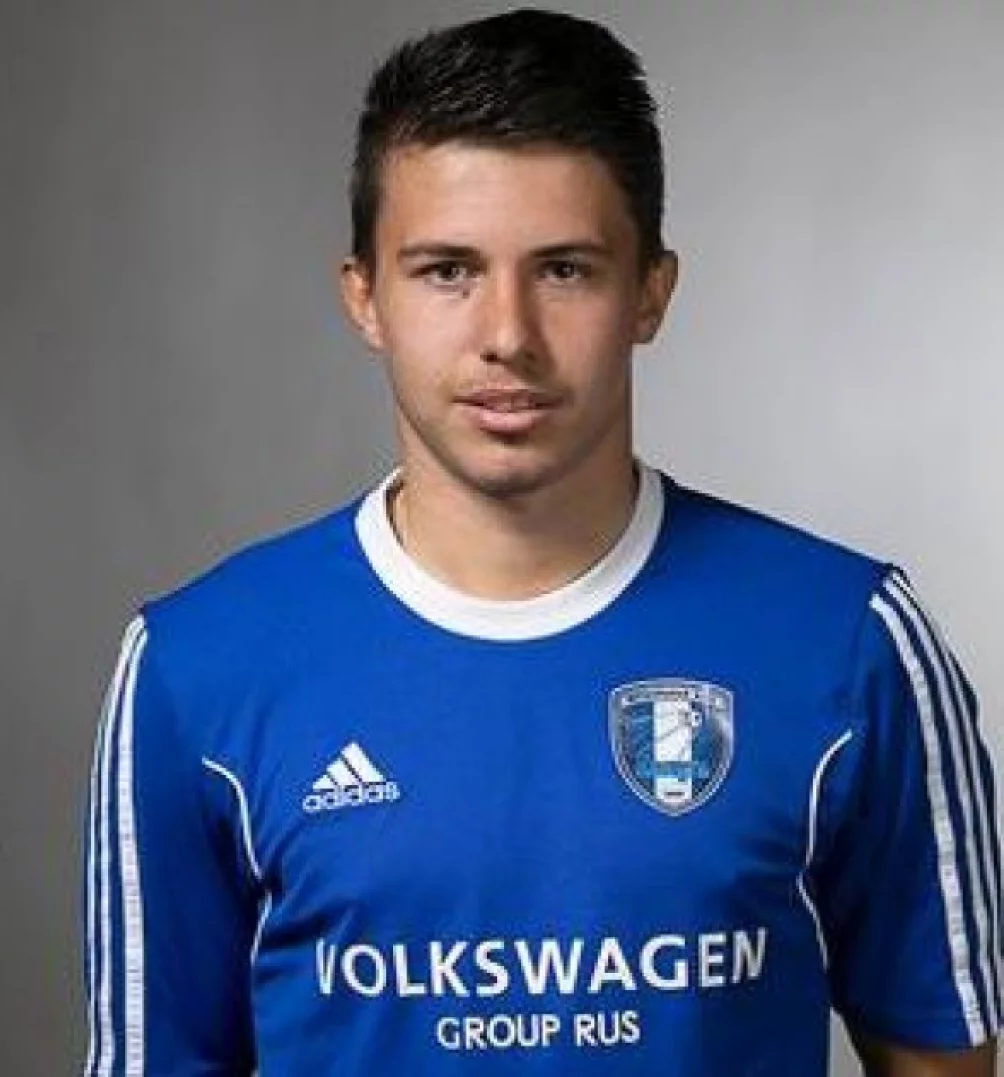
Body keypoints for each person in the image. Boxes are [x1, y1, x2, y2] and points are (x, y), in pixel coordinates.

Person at [83, 9, 1001, 1075]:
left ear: (650, 291)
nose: (507, 334)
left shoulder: (848, 644)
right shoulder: (196, 670)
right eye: (446, 270)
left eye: (564, 269)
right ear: (364, 297)